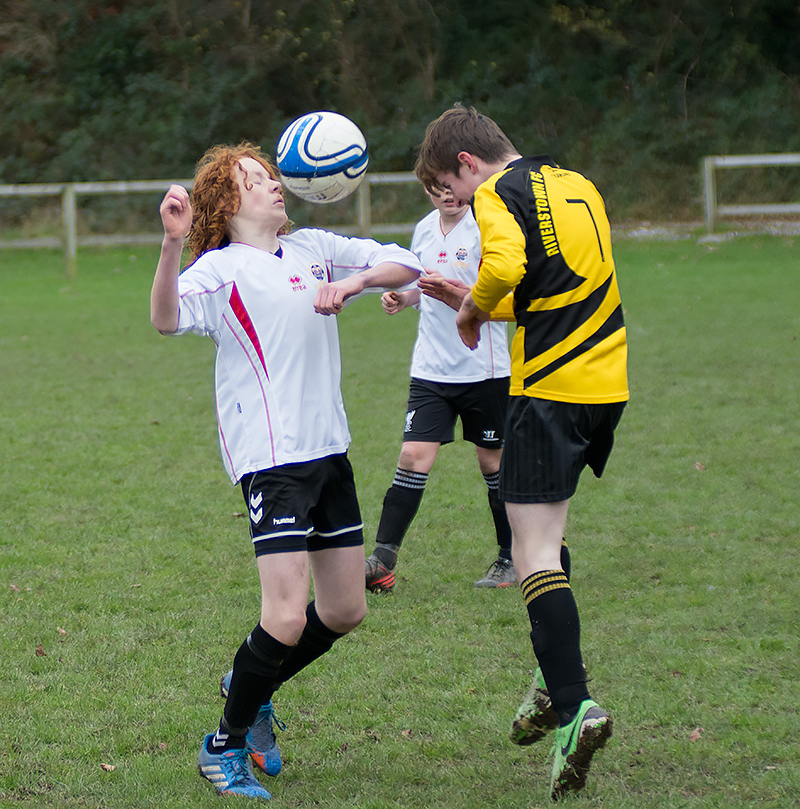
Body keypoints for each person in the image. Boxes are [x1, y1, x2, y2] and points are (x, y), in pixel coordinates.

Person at [150, 142, 423, 801]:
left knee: (345, 607)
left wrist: (357, 282)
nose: (274, 185)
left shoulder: (313, 248)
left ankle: (254, 681)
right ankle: (224, 744)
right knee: (284, 617)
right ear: (227, 202)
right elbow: (165, 318)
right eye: (256, 179)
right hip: (271, 461)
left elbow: (406, 262)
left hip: (330, 451)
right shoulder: (219, 271)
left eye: (273, 176)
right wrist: (171, 245)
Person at [414, 106, 629, 801]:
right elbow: (556, 288)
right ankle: (550, 676)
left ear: (468, 165)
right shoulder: (576, 183)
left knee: (530, 549)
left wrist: (472, 311)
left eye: (455, 188)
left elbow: (504, 263)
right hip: (606, 384)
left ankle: (574, 710)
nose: (461, 201)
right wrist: (473, 297)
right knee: (552, 537)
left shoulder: (499, 193)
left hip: (550, 390)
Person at [364, 184, 514, 593]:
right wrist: (406, 297)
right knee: (413, 456)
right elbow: (424, 288)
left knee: (492, 465)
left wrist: (458, 295)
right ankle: (383, 560)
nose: (447, 193)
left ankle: (511, 557)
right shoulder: (425, 229)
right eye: (437, 185)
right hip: (431, 371)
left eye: (453, 183)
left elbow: (503, 294)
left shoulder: (488, 229)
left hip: (485, 369)